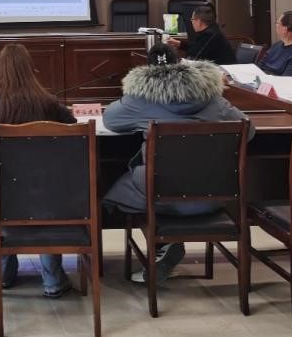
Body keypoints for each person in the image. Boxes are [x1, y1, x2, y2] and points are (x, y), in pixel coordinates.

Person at [102, 44, 254, 284]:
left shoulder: (140, 98)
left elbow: (110, 120)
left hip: (161, 197)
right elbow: (249, 130)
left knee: (119, 180)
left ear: (147, 70)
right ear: (181, 65)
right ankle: (169, 245)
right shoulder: (212, 97)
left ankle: (166, 244)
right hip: (213, 196)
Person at [0, 44, 76, 298]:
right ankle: (53, 280)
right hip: (41, 187)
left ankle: (3, 276)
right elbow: (72, 126)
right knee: (46, 214)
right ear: (30, 69)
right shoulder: (47, 101)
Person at [166, 5, 235, 65]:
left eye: (192, 19)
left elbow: (193, 58)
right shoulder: (212, 30)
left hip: (222, 72)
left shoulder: (209, 36)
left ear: (199, 22)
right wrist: (179, 44)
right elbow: (195, 47)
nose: (192, 22)